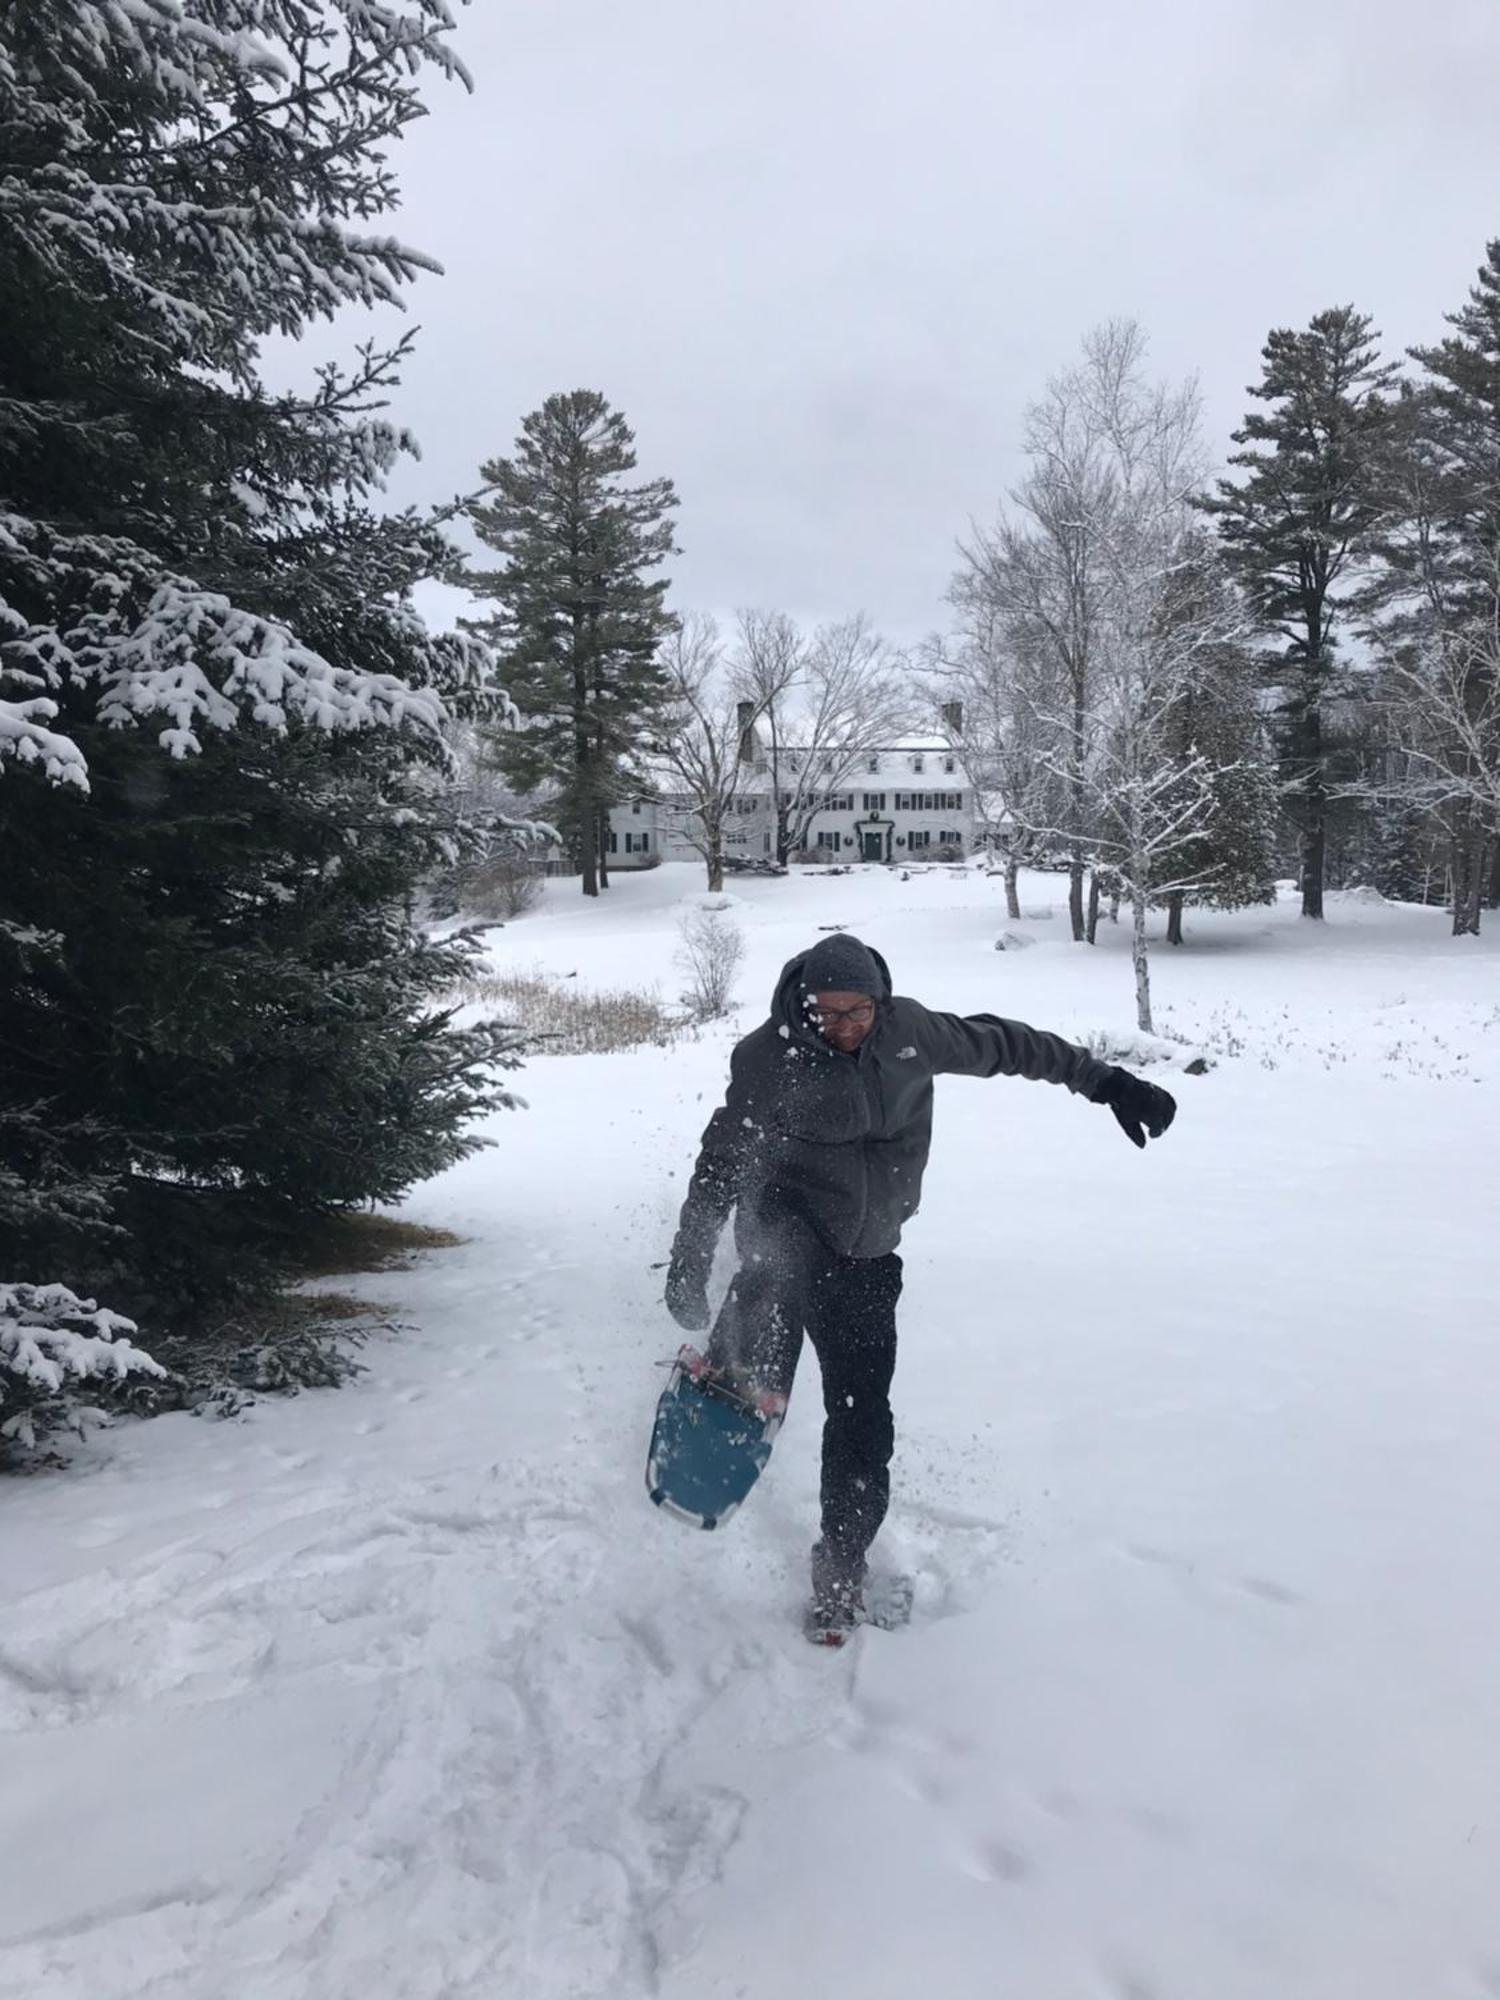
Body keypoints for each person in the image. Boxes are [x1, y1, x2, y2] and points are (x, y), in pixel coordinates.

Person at [663, 932, 1177, 1635]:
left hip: (867, 1254)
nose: (843, 1028)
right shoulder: (768, 1057)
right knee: (756, 1357)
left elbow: (1009, 1046)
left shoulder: (911, 1034)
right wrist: (692, 1253)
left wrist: (1107, 1082)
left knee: (862, 1419)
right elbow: (723, 1153)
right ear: (804, 1005)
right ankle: (720, 1396)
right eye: (827, 1014)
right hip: (786, 1231)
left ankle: (841, 1564)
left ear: (879, 1002)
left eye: (857, 1013)